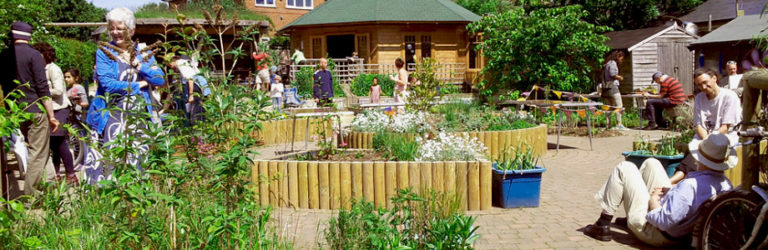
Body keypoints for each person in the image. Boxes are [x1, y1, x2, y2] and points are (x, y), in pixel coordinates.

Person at [584, 132, 735, 246]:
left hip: (658, 234)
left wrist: (653, 201)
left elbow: (664, 221)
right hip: (682, 230)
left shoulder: (690, 186)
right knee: (652, 163)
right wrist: (673, 193)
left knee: (625, 167)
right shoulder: (725, 184)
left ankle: (603, 223)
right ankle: (632, 210)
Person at [84, 7, 165, 185]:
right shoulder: (105, 53)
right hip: (112, 117)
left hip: (138, 118)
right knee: (112, 162)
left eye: (120, 28)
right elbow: (108, 85)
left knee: (138, 160)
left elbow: (159, 79)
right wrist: (141, 84)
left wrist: (139, 65)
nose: (115, 32)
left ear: (131, 30)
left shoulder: (144, 52)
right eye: (111, 28)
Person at [0, 22, 60, 195]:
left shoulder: (3, 55)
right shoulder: (34, 55)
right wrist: (51, 115)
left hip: (13, 113)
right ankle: (31, 194)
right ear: (29, 36)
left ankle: (10, 192)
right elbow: (43, 88)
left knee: (14, 151)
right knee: (37, 153)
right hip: (34, 110)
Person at [34, 42, 78, 185]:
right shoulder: (40, 68)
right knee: (53, 144)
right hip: (49, 109)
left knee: (59, 141)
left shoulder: (53, 69)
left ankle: (71, 175)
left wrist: (40, 90)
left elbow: (59, 90)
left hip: (60, 109)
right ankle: (57, 174)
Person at [168, 55, 207, 125]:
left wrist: (191, 95)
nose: (170, 66)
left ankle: (197, 128)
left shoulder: (181, 64)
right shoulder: (183, 63)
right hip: (197, 85)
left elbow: (190, 79)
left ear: (173, 61)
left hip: (195, 85)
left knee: (196, 110)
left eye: (169, 64)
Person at [601, 51, 627, 130]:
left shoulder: (606, 64)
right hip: (612, 88)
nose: (621, 60)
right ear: (617, 57)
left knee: (608, 107)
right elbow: (613, 74)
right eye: (621, 58)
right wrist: (620, 77)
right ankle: (619, 124)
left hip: (605, 88)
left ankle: (608, 124)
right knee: (619, 106)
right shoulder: (612, 64)